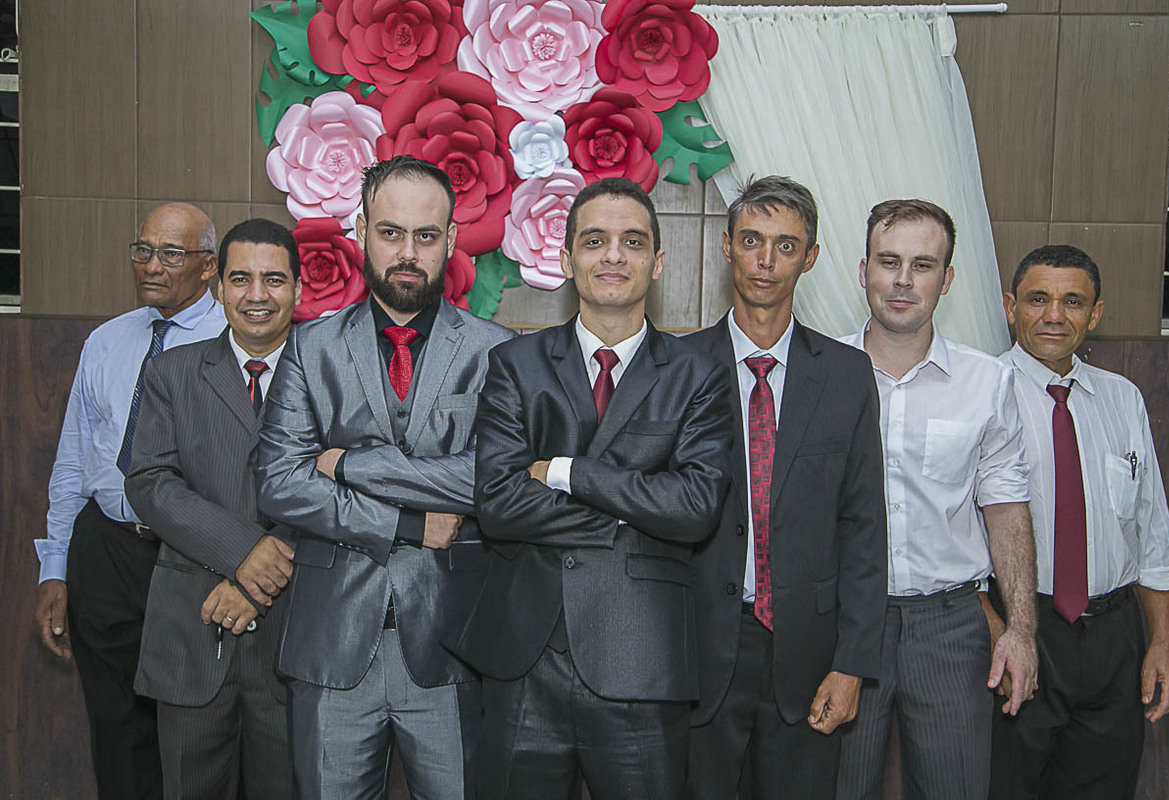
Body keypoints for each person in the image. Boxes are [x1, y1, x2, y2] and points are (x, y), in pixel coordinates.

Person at [451, 177, 732, 799]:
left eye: (633, 242)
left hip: (642, 659)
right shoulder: (515, 365)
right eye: (595, 240)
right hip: (524, 659)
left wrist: (565, 472)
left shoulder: (700, 376)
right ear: (565, 258)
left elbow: (693, 509)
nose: (613, 255)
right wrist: (639, 507)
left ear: (658, 262)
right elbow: (498, 505)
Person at [255, 155, 514, 800]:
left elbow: (492, 478)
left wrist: (352, 464)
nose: (408, 253)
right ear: (361, 233)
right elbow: (280, 481)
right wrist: (405, 523)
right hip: (331, 644)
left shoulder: (498, 351)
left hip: (452, 646)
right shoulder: (309, 347)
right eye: (391, 233)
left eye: (426, 236)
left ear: (451, 240)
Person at [686, 176, 887, 798]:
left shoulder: (848, 374)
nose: (766, 261)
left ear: (811, 256)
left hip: (809, 653)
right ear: (727, 247)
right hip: (699, 650)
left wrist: (852, 664)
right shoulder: (676, 368)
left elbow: (864, 528)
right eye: (751, 240)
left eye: (785, 245)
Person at [836, 199, 1039, 800]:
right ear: (864, 270)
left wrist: (1021, 630)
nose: (903, 280)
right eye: (888, 261)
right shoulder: (818, 373)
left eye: (922, 265)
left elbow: (1006, 506)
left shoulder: (987, 382)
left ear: (946, 279)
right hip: (843, 623)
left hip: (951, 627)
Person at [32, 202, 227, 799]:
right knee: (117, 733)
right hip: (106, 550)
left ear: (208, 266)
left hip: (191, 557)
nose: (151, 266)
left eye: (171, 254)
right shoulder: (107, 340)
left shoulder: (233, 340)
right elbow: (73, 459)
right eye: (143, 250)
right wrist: (55, 566)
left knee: (196, 734)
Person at [986, 245, 1169, 799]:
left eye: (1072, 302)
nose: (1054, 315)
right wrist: (997, 629)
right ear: (1011, 307)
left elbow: (1152, 532)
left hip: (1114, 637)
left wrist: (1163, 642)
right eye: (1038, 299)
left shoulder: (1123, 399)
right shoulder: (980, 393)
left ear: (1095, 314)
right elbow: (951, 534)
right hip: (1020, 628)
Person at [123, 218, 303, 800]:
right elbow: (149, 482)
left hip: (294, 644)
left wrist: (258, 577)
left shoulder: (331, 375)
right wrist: (244, 552)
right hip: (193, 637)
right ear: (219, 286)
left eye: (274, 279)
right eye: (241, 279)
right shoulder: (171, 372)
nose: (257, 295)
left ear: (298, 289)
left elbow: (342, 491)